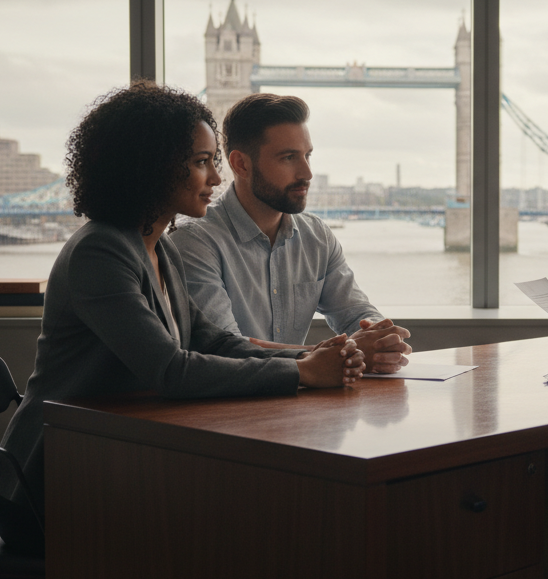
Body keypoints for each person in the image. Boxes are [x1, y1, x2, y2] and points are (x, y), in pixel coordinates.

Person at [0, 82, 365, 556]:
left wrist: (313, 354)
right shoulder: (100, 251)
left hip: (116, 462)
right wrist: (303, 372)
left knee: (263, 516)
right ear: (153, 166)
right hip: (50, 486)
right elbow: (170, 370)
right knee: (247, 524)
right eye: (202, 161)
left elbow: (211, 341)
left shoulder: (159, 244)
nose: (217, 177)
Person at [172, 93, 412, 373]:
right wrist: (344, 354)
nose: (307, 173)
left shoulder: (317, 236)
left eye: (307, 155)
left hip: (300, 404)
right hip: (229, 409)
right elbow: (225, 349)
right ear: (241, 165)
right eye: (289, 158)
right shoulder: (193, 242)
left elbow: (355, 314)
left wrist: (381, 339)